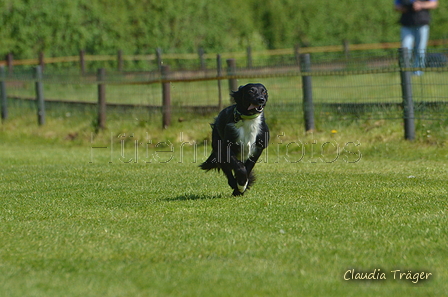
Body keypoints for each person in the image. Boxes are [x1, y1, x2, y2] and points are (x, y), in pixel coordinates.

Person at [394, 0, 439, 75]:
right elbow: (396, 6)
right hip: (407, 24)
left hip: (422, 23)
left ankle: (418, 72)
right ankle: (406, 72)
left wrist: (421, 5)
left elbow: (434, 4)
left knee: (420, 48)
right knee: (405, 48)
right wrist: (406, 8)